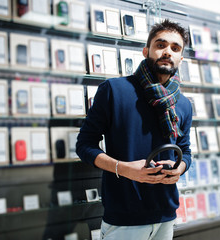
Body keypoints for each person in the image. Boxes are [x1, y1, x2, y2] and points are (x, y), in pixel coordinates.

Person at [76, 19, 192, 240]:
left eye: (175, 48)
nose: (168, 51)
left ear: (180, 58)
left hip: (166, 215)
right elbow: (84, 146)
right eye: (161, 45)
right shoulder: (114, 90)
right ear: (146, 50)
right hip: (124, 217)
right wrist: (124, 168)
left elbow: (185, 151)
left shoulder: (183, 104)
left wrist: (180, 168)